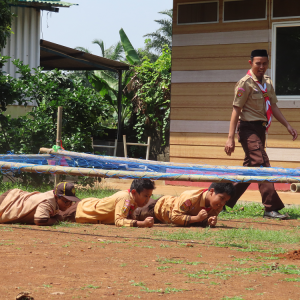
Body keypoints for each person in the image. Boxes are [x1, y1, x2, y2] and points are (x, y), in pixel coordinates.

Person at [224, 49, 298, 219]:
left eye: (265, 63)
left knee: (251, 169)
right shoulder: (245, 83)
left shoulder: (267, 83)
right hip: (247, 129)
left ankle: (222, 198)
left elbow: (273, 107)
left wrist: (287, 125)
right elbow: (236, 110)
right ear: (251, 63)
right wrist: (230, 138)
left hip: (260, 129)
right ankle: (271, 207)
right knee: (262, 164)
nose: (262, 66)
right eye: (258, 63)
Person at [61, 178, 156, 228]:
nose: (148, 200)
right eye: (145, 196)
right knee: (56, 217)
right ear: (134, 192)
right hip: (82, 210)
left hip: (87, 207)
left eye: (149, 196)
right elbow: (119, 221)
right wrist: (142, 223)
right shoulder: (125, 198)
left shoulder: (132, 199)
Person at [132, 183, 235, 227]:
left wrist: (208, 221)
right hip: (157, 209)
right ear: (211, 191)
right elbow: (174, 217)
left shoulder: (218, 205)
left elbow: (203, 220)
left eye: (225, 201)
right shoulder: (190, 197)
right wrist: (197, 218)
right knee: (132, 214)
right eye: (221, 198)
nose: (222, 204)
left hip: (167, 215)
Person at [0, 182, 81, 225]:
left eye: (71, 201)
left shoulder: (52, 197)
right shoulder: (48, 201)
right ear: (56, 197)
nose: (69, 205)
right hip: (7, 202)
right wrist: (56, 219)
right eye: (66, 201)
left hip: (15, 197)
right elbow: (40, 220)